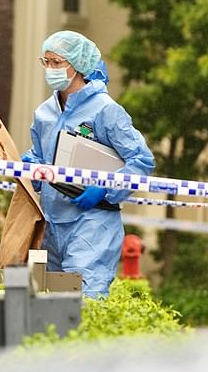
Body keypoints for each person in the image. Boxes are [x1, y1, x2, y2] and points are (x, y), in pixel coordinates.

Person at [21, 30, 155, 298]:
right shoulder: (44, 113)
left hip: (93, 224)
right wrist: (31, 167)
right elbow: (41, 154)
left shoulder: (105, 110)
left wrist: (105, 189)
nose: (50, 69)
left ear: (78, 64)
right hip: (51, 224)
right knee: (48, 305)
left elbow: (141, 161)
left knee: (84, 302)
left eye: (57, 62)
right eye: (45, 62)